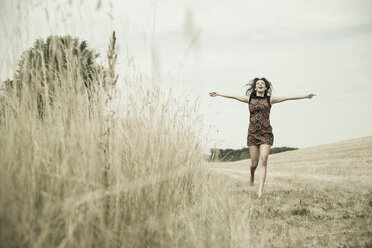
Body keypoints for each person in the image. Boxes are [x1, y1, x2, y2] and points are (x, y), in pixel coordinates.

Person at [209, 77, 316, 197]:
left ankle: (260, 191)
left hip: (266, 133)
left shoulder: (270, 99)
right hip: (252, 133)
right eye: (258, 83)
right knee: (254, 164)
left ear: (265, 87)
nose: (260, 84)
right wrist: (219, 93)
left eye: (262, 84)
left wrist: (306, 96)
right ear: (255, 87)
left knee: (263, 160)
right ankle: (252, 176)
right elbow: (234, 96)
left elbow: (288, 97)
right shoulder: (249, 99)